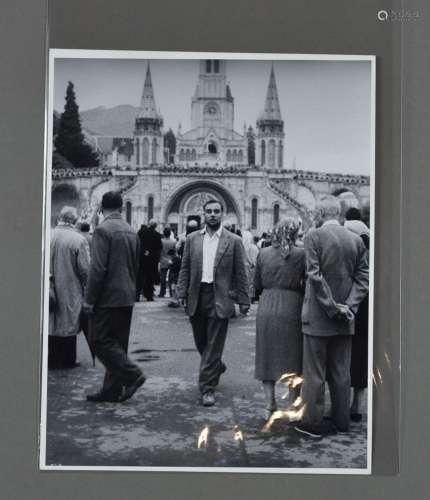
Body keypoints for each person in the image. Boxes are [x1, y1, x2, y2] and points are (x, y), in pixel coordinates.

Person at [295, 195, 369, 437]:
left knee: (315, 373)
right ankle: (341, 421)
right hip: (346, 318)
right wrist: (348, 306)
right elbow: (363, 279)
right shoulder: (356, 240)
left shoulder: (313, 237)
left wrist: (332, 307)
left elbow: (314, 276)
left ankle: (313, 423)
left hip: (318, 317)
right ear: (338, 214)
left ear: (318, 214)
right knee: (340, 372)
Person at [177, 199, 250, 406]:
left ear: (222, 214)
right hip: (197, 295)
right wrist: (181, 292)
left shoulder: (233, 240)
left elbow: (241, 272)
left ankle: (207, 388)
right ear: (203, 214)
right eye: (209, 211)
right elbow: (185, 268)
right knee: (201, 341)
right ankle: (216, 366)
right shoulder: (192, 239)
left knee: (213, 344)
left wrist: (244, 299)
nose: (212, 215)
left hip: (221, 296)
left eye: (216, 211)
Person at [83, 191, 145, 403]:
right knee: (118, 343)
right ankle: (112, 390)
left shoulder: (102, 230)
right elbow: (137, 265)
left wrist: (89, 299)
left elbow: (97, 269)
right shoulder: (131, 231)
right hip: (126, 295)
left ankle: (133, 373)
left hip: (107, 297)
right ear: (120, 207)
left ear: (102, 207)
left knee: (99, 340)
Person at [254, 218, 306, 420]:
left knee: (266, 356)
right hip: (293, 306)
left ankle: (269, 405)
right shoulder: (301, 254)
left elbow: (256, 283)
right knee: (294, 358)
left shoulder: (263, 253)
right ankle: (293, 405)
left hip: (267, 305)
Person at [49, 206, 90, 369]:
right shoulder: (78, 239)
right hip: (70, 287)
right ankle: (67, 359)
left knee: (52, 321)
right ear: (74, 220)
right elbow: (85, 269)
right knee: (69, 322)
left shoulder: (48, 235)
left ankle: (52, 357)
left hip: (49, 286)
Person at [344, 207, 370, 422]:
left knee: (343, 350)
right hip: (366, 303)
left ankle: (340, 403)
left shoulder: (345, 233)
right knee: (361, 353)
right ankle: (357, 405)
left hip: (348, 299)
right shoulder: (369, 238)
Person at [140, 219, 162, 301]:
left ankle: (137, 294)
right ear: (155, 226)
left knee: (140, 276)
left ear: (149, 224)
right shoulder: (157, 235)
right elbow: (159, 247)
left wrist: (144, 251)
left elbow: (138, 244)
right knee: (150, 277)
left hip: (142, 257)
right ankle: (149, 295)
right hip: (152, 259)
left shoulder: (141, 233)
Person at [158, 227, 177, 297]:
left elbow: (159, 251)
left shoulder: (161, 241)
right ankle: (171, 293)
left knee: (163, 277)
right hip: (171, 260)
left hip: (163, 259)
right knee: (171, 278)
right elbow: (175, 252)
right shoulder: (173, 241)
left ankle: (162, 292)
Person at [242, 230, 259, 302]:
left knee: (244, 283)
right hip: (252, 268)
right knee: (251, 283)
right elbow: (257, 258)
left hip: (243, 268)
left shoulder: (241, 247)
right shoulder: (254, 247)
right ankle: (251, 298)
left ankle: (243, 298)